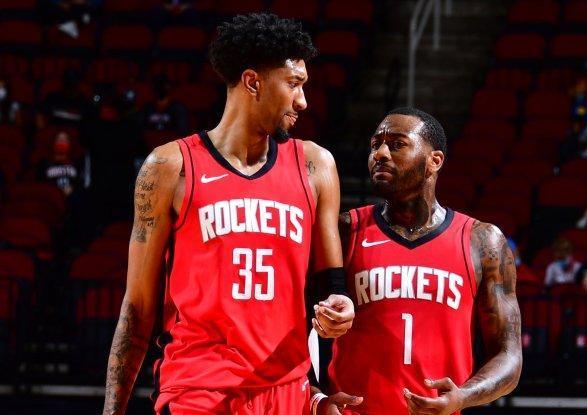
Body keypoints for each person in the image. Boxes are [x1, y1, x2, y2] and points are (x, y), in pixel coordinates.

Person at [102, 13, 355, 415]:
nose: (303, 101)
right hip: (197, 391)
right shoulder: (171, 166)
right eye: (293, 84)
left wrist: (339, 310)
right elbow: (137, 308)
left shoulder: (315, 166)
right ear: (253, 82)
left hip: (285, 391)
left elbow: (331, 286)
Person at [311, 108, 522, 415]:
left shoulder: (482, 242)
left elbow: (509, 356)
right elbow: (292, 324)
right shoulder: (345, 231)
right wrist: (316, 397)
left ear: (434, 161)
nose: (380, 154)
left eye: (397, 144)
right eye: (375, 145)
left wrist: (463, 396)